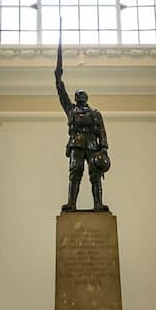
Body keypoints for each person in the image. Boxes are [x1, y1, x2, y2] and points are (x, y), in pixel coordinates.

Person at [54, 37, 110, 212]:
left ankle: (98, 204)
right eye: (77, 95)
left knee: (95, 176)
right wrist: (58, 78)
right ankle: (71, 203)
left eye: (82, 95)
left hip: (93, 145)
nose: (79, 97)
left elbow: (102, 131)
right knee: (75, 173)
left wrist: (104, 148)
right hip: (77, 143)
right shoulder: (71, 110)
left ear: (86, 98)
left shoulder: (95, 113)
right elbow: (61, 94)